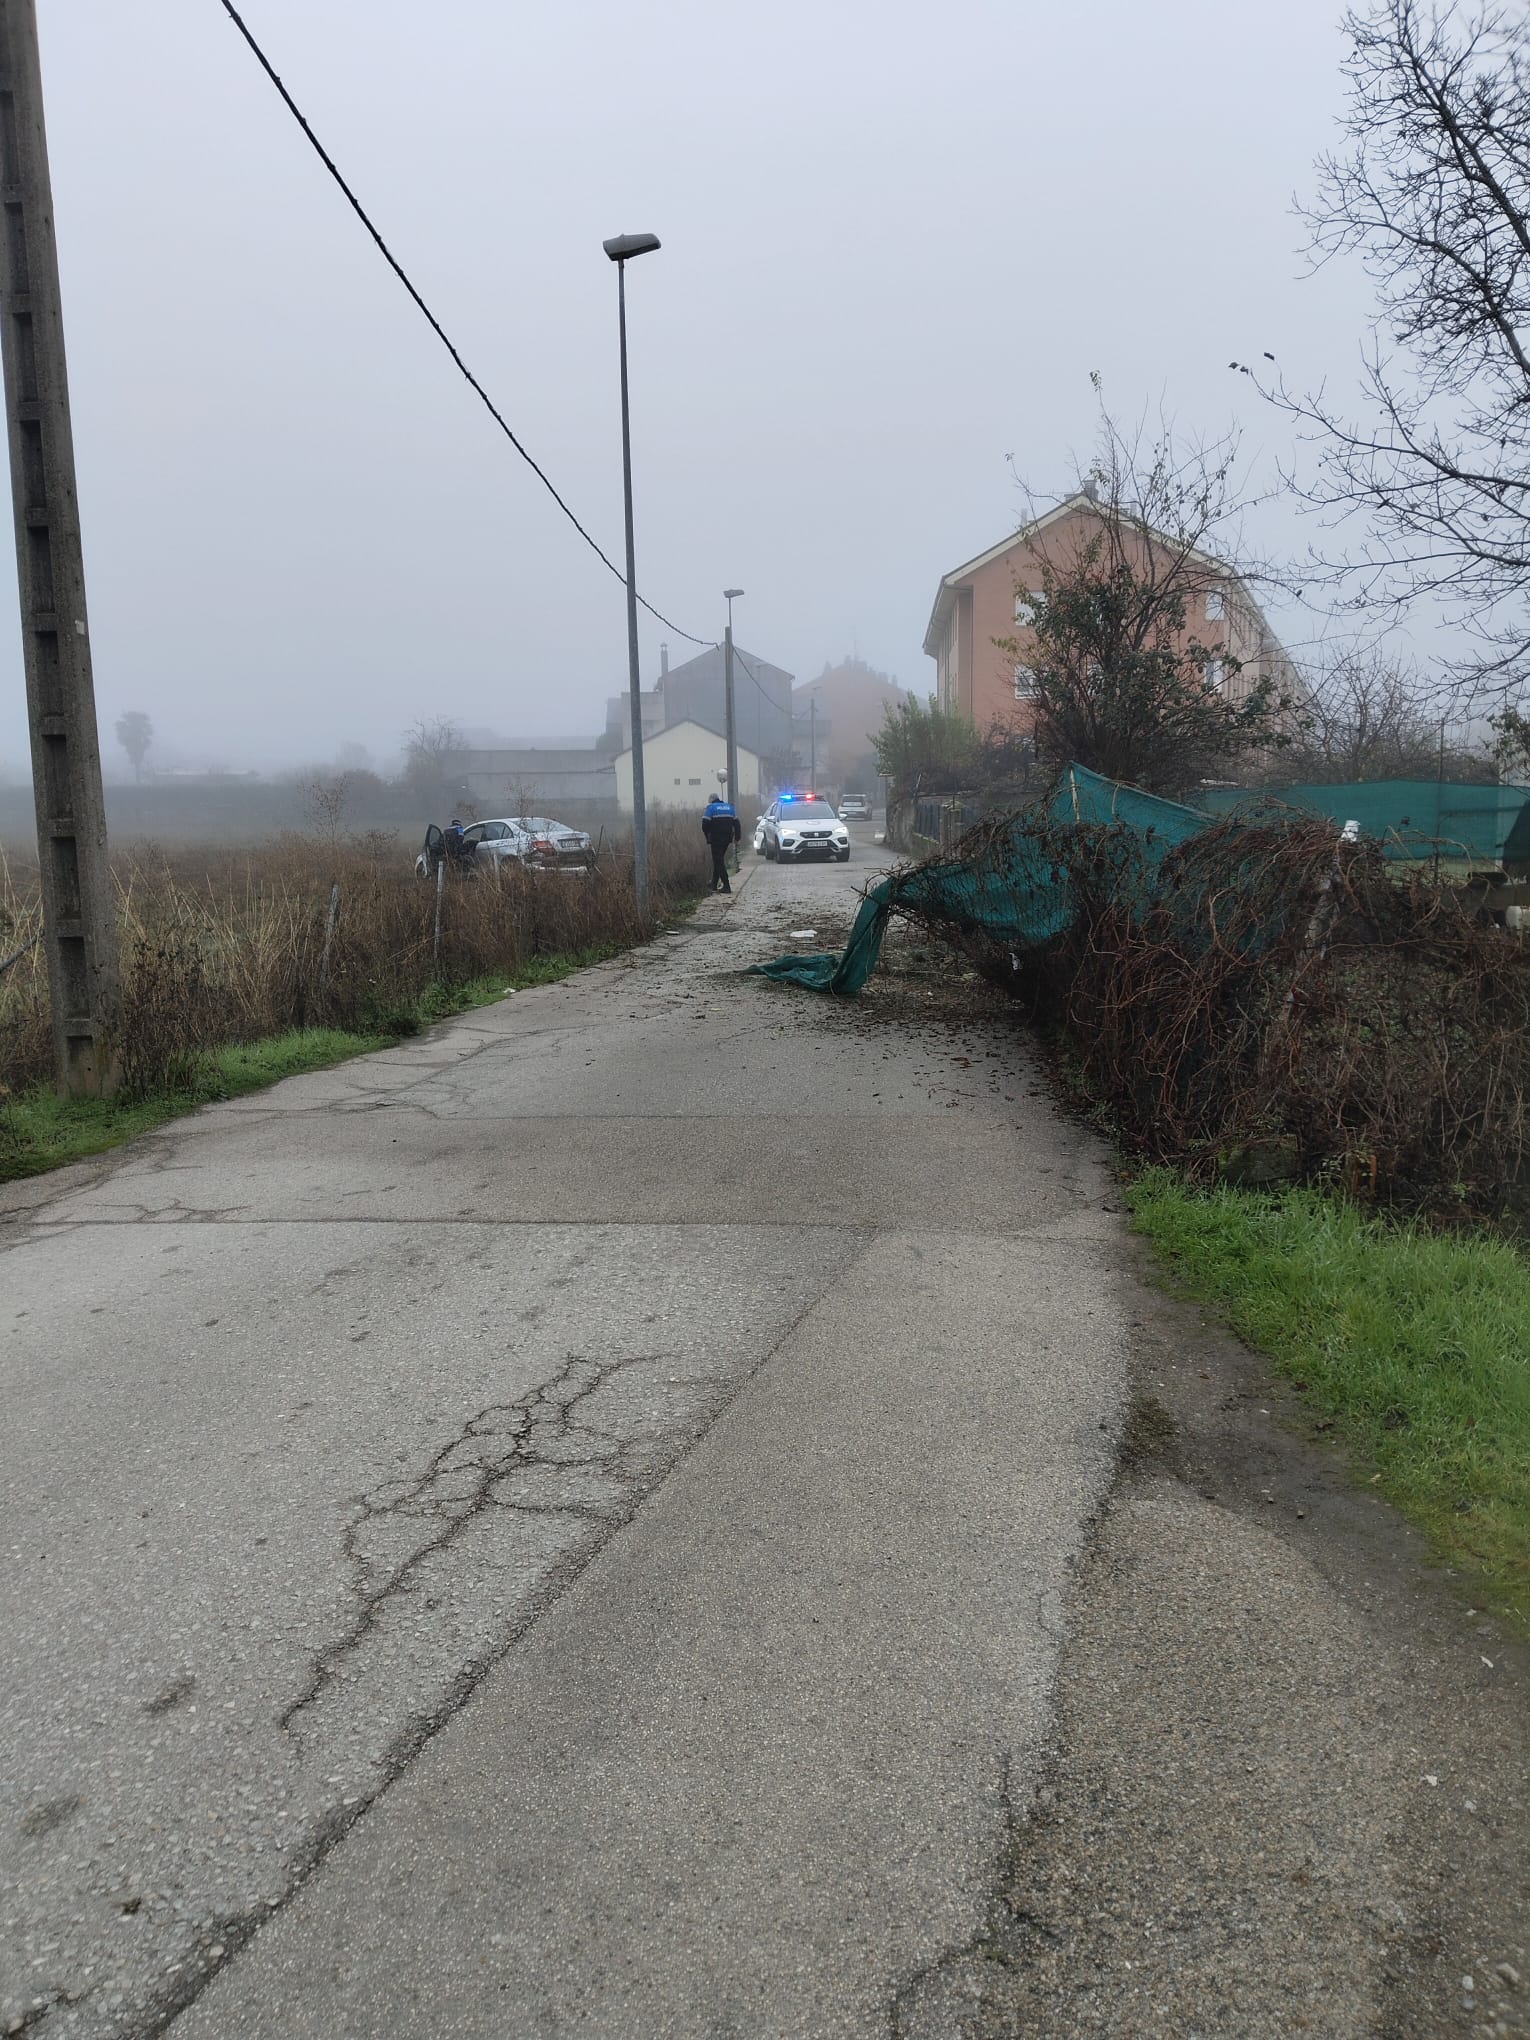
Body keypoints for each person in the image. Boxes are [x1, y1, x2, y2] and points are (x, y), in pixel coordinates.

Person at [701, 793, 742, 893]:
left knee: (719, 861)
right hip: (727, 838)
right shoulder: (729, 807)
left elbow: (705, 824)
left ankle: (726, 885)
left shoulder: (710, 808)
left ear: (711, 800)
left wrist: (707, 835)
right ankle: (713, 884)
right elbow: (737, 824)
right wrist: (737, 837)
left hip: (716, 838)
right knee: (718, 860)